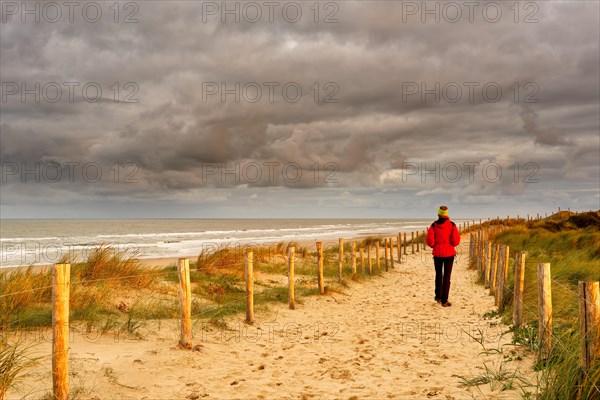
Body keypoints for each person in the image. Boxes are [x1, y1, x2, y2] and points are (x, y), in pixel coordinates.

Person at [426, 205, 460, 307]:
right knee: (447, 276)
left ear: (438, 214)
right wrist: (450, 245)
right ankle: (444, 300)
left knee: (438, 275)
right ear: (447, 214)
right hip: (449, 254)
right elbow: (456, 240)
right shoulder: (452, 225)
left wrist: (434, 246)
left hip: (437, 254)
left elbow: (430, 240)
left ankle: (438, 297)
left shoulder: (433, 225)